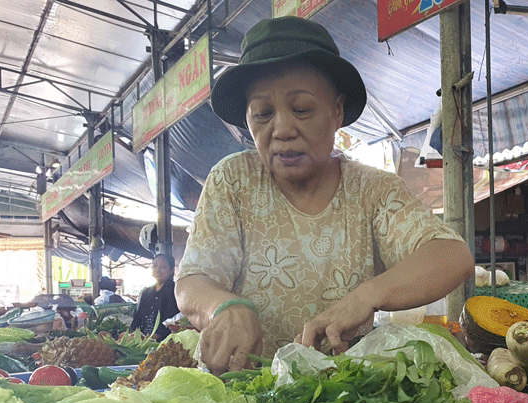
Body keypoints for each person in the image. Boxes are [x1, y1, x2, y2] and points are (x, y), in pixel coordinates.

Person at [175, 16, 474, 374]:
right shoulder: (233, 181)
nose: (282, 129)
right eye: (263, 114)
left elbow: (451, 255)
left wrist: (368, 295)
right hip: (244, 402)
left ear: (336, 112)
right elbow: (193, 281)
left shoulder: (372, 192)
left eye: (301, 109)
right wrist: (222, 308)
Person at [131, 253, 181, 341]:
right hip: (141, 339)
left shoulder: (175, 291)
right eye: (155, 266)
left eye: (163, 267)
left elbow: (172, 320)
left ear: (171, 270)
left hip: (163, 341)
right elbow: (138, 317)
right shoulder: (146, 292)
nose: (157, 270)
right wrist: (133, 334)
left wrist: (152, 338)